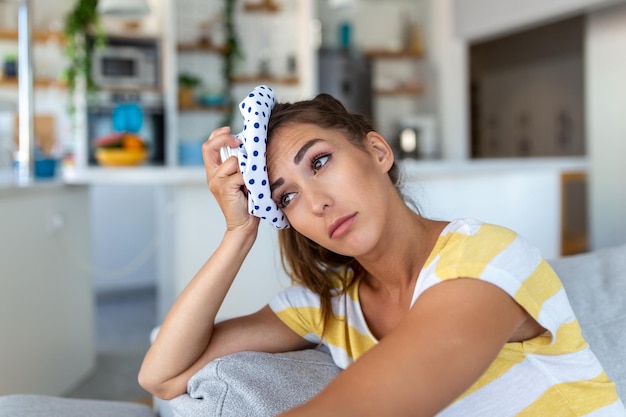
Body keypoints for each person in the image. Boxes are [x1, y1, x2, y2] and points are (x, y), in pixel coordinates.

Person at [139, 88, 625, 416]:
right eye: (285, 196)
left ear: (377, 151)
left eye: (321, 161)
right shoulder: (326, 303)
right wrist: (238, 233)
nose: (316, 202)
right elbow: (161, 376)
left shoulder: (487, 258)